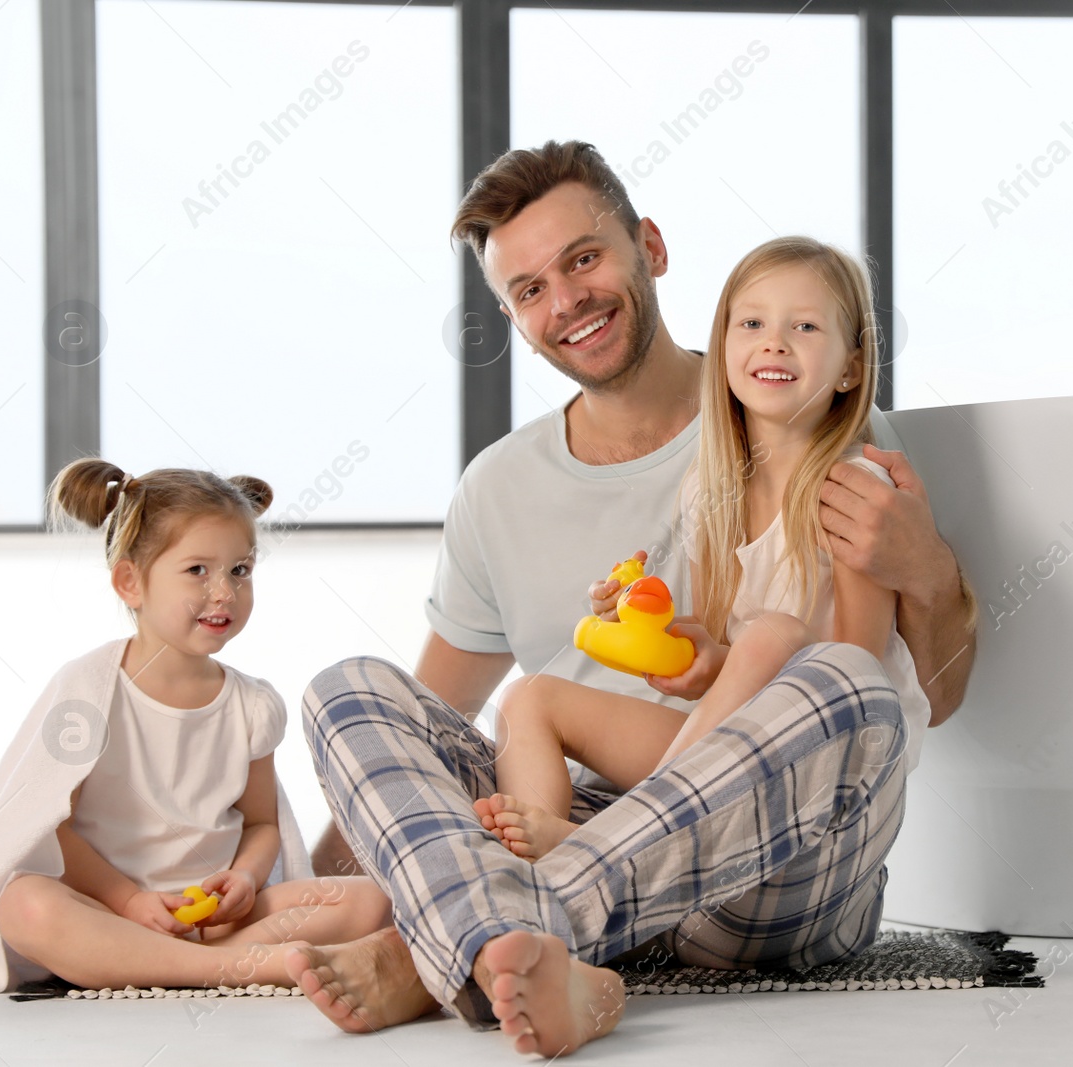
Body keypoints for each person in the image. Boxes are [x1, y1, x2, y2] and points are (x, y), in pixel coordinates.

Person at [286, 141, 977, 1057]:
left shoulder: (817, 427)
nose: (566, 300)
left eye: (583, 258)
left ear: (649, 246)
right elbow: (429, 716)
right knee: (347, 691)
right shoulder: (498, 487)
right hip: (571, 816)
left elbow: (924, 694)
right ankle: (540, 945)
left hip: (768, 860)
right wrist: (305, 883)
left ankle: (447, 949)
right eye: (530, 288)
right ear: (512, 315)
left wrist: (927, 567)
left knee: (846, 684)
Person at [483, 235, 949, 859]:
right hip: (735, 761)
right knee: (527, 697)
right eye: (752, 323)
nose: (774, 342)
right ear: (723, 347)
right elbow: (715, 663)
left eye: (805, 326)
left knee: (773, 635)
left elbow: (853, 680)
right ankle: (536, 874)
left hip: (831, 774)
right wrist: (655, 627)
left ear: (851, 368)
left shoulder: (853, 492)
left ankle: (613, 847)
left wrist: (755, 652)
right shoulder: (710, 490)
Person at [0, 460, 390, 994]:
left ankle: (195, 961)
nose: (224, 592)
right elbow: (51, 826)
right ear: (130, 582)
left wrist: (246, 877)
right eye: (197, 570)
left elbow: (261, 824)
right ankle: (238, 968)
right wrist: (129, 901)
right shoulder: (90, 690)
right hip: (108, 912)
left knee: (369, 900)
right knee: (23, 904)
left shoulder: (252, 705)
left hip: (215, 922)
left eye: (240, 570)